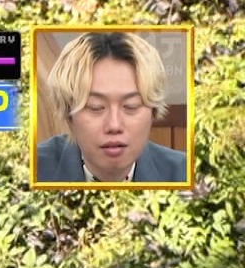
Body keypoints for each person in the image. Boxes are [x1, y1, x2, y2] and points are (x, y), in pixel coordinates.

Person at [35, 31, 188, 183]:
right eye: (95, 107)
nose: (114, 125)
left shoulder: (184, 173)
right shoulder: (32, 169)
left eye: (131, 106)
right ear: (68, 115)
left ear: (153, 112)